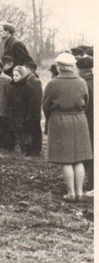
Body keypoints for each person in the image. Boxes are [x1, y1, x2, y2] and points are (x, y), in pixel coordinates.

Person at [43, 52, 93, 202]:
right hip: (80, 120)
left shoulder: (53, 83)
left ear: (59, 67)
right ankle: (79, 192)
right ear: (72, 67)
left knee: (65, 159)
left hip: (59, 120)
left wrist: (50, 118)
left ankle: (71, 193)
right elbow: (87, 102)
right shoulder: (82, 82)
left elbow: (45, 106)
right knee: (79, 158)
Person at [7, 65, 39, 155]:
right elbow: (9, 101)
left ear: (23, 75)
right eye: (13, 75)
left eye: (17, 75)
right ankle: (22, 148)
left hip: (24, 114)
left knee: (26, 132)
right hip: (15, 113)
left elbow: (32, 103)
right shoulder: (12, 87)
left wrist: (29, 116)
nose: (15, 78)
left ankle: (27, 150)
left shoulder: (28, 87)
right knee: (18, 132)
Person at [76, 56, 94, 196]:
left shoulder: (84, 84)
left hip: (88, 122)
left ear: (82, 70)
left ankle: (92, 183)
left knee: (90, 153)